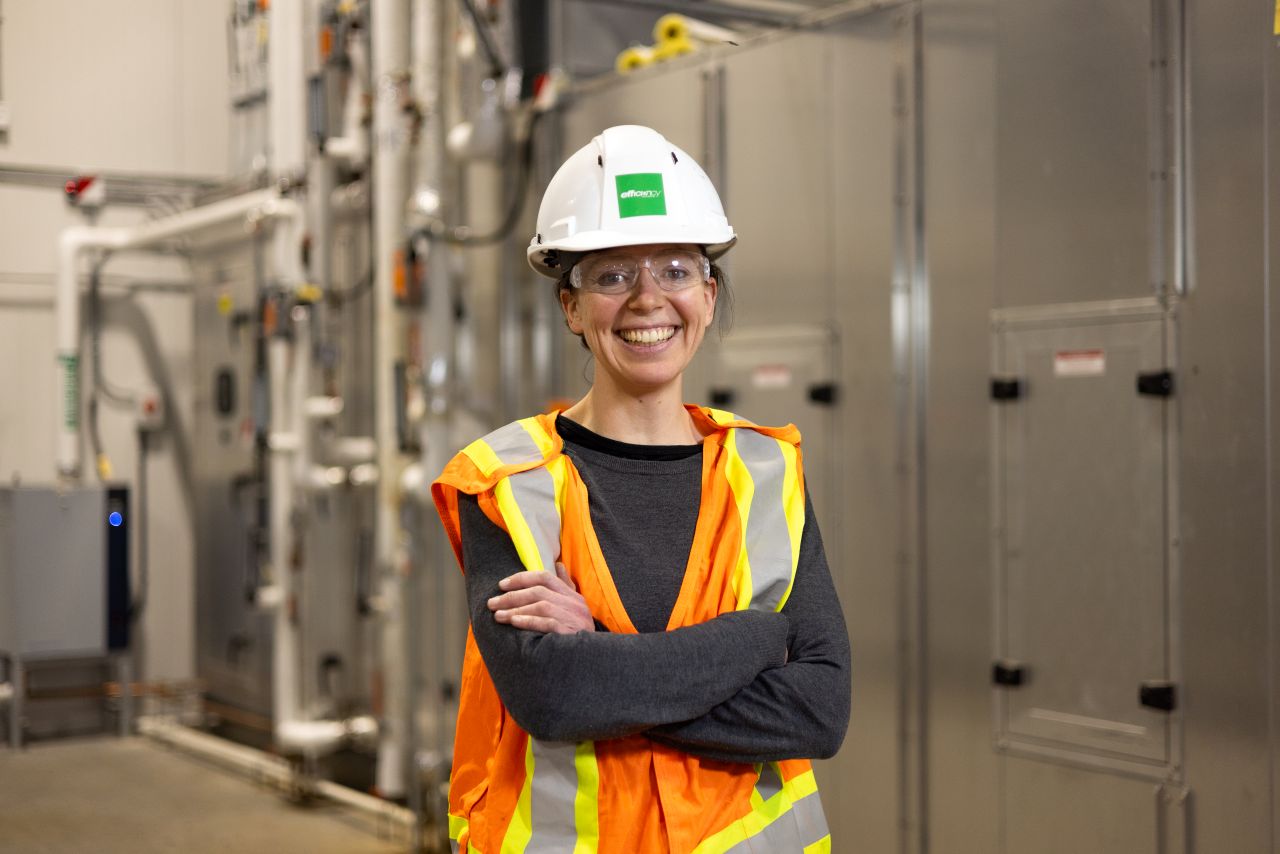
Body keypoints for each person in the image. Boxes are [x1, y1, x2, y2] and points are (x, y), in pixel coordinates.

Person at [432, 125, 850, 853]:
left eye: (677, 270)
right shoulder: (506, 481)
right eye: (613, 274)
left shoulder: (765, 468)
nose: (648, 299)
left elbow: (820, 710)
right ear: (571, 306)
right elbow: (554, 697)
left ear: (708, 295)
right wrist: (753, 641)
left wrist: (601, 655)